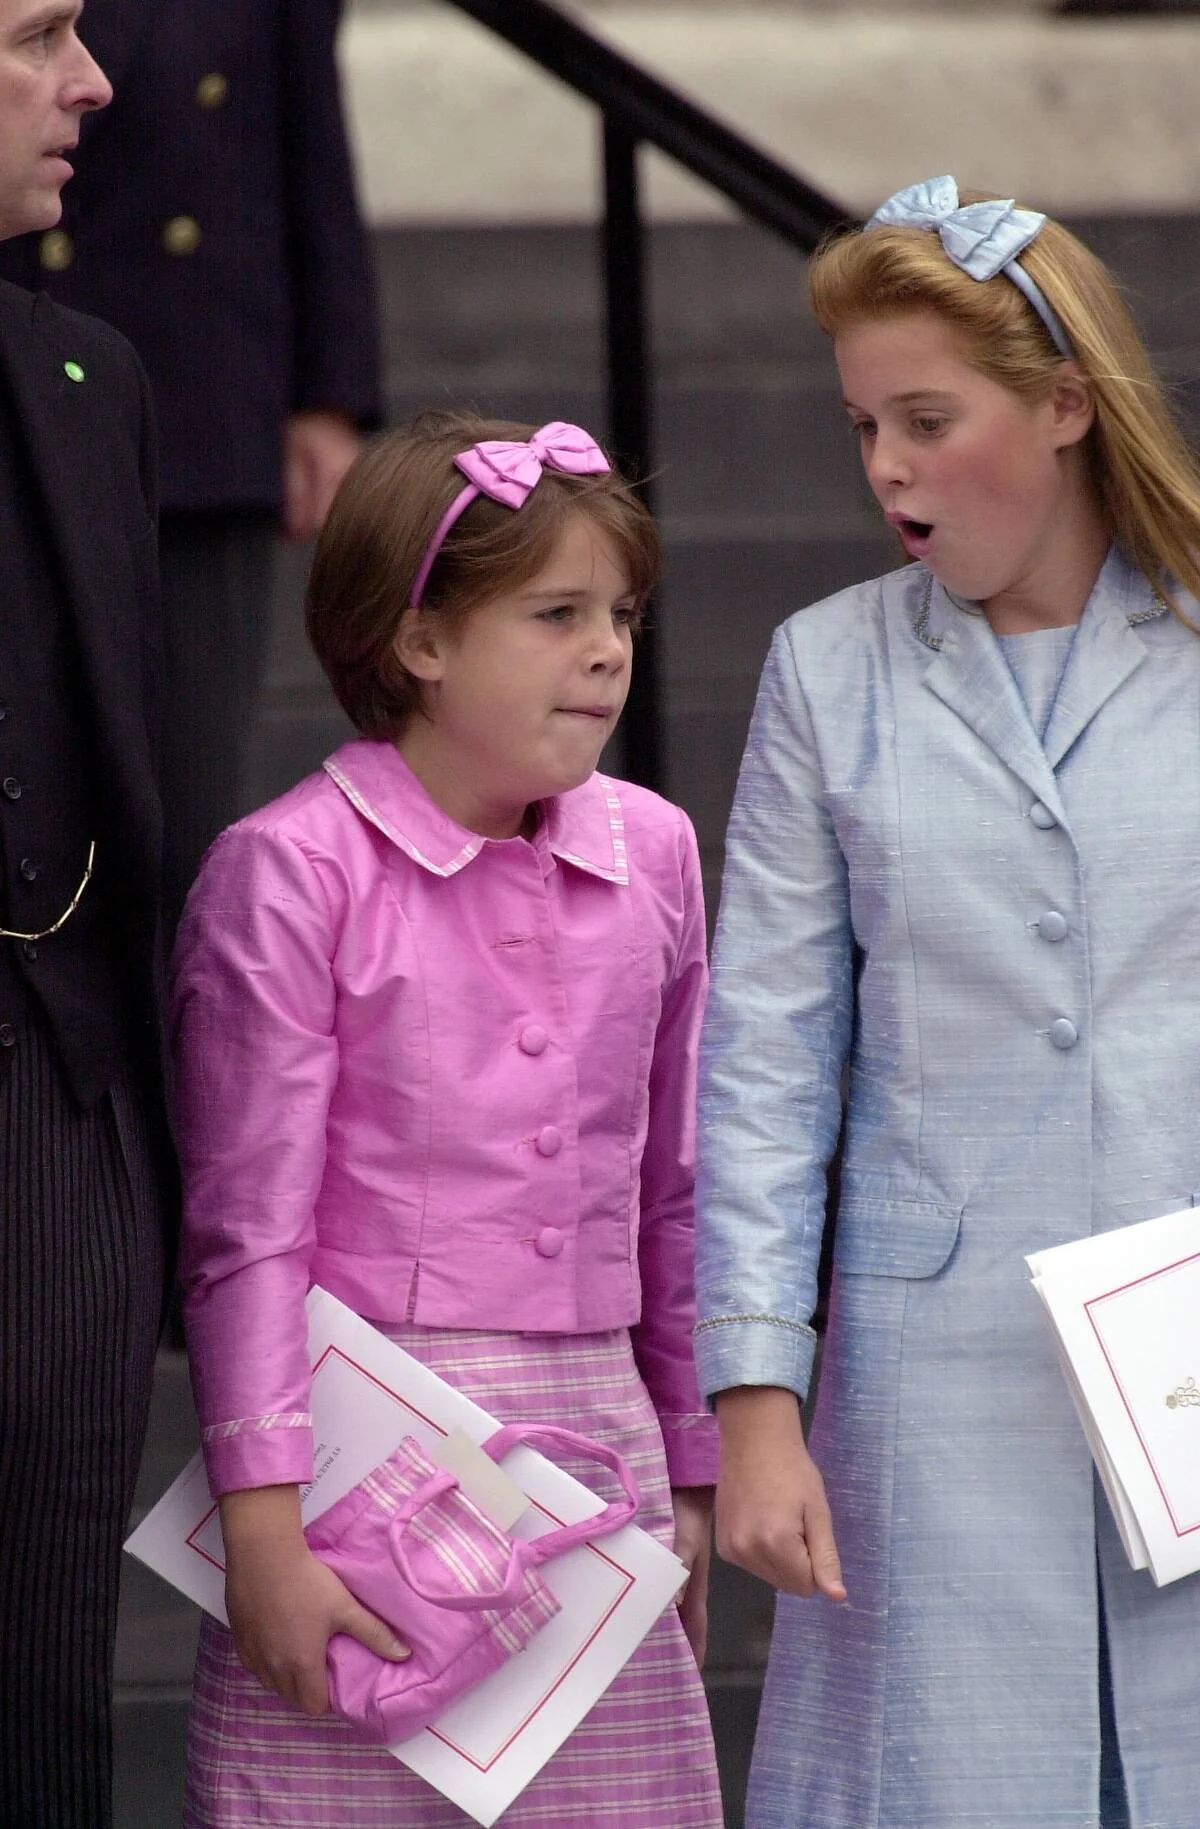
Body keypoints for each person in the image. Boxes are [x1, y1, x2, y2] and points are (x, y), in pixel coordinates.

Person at [695, 175, 1200, 1829]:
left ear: (1066, 402)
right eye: (862, 426)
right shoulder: (824, 667)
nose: (889, 467)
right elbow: (767, 1059)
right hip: (927, 1380)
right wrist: (758, 1402)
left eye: (928, 416)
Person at [171, 413, 724, 1827]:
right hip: (362, 1458)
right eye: (556, 613)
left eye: (623, 613)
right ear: (419, 642)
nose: (608, 647)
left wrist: (696, 1468)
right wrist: (262, 1521)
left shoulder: (653, 850)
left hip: (599, 1433)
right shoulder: (289, 872)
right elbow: (247, 1231)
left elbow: (675, 1189)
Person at [0, 0, 383, 927]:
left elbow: (308, 140)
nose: (89, 77)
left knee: (179, 800)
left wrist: (328, 392)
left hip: (198, 397)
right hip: (27, 349)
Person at [0, 5, 174, 1827]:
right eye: (38, 33)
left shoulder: (94, 379)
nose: (94, 80)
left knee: (46, 1697)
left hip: (57, 1116)